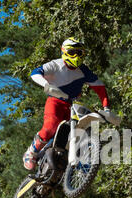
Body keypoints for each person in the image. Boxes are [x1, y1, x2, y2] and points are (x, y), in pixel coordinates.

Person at [23, 37, 110, 170]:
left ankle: (76, 162)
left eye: (79, 53)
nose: (76, 56)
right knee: (51, 126)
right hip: (55, 101)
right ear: (64, 51)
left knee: (77, 132)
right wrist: (47, 85)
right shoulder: (56, 65)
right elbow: (35, 73)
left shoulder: (83, 70)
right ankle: (32, 152)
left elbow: (100, 87)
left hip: (72, 105)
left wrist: (106, 108)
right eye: (72, 52)